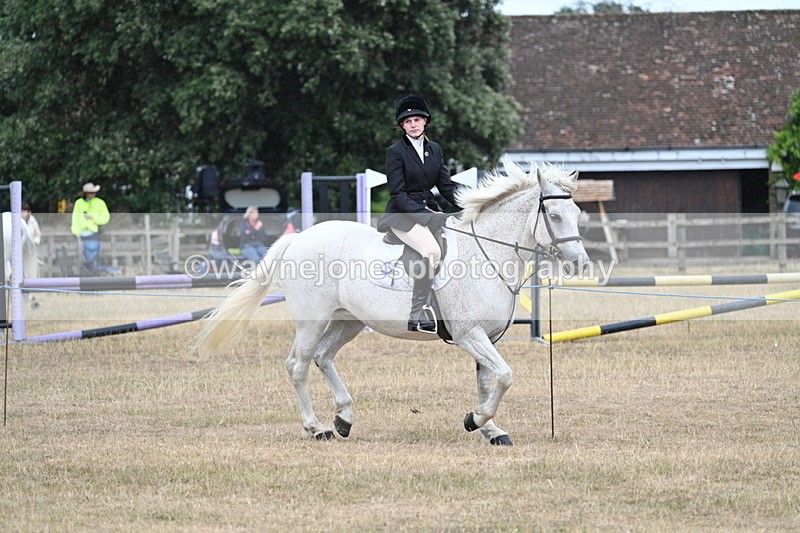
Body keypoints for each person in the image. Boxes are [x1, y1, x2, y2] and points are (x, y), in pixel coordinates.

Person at [376, 95, 460, 333]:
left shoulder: (434, 149)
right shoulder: (395, 152)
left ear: (425, 122)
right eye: (408, 121)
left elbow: (446, 186)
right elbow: (397, 194)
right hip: (402, 213)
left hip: (429, 210)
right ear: (402, 125)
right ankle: (417, 313)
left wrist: (468, 206)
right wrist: (426, 215)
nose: (413, 124)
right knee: (431, 251)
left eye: (417, 119)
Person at [70, 182, 110, 273]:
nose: (93, 194)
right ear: (86, 193)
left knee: (94, 256)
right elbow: (75, 218)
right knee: (82, 258)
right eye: (91, 193)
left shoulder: (100, 203)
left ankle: (94, 274)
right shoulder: (79, 203)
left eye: (94, 193)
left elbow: (105, 218)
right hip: (80, 236)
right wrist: (75, 231)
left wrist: (93, 218)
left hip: (94, 234)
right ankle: (85, 274)